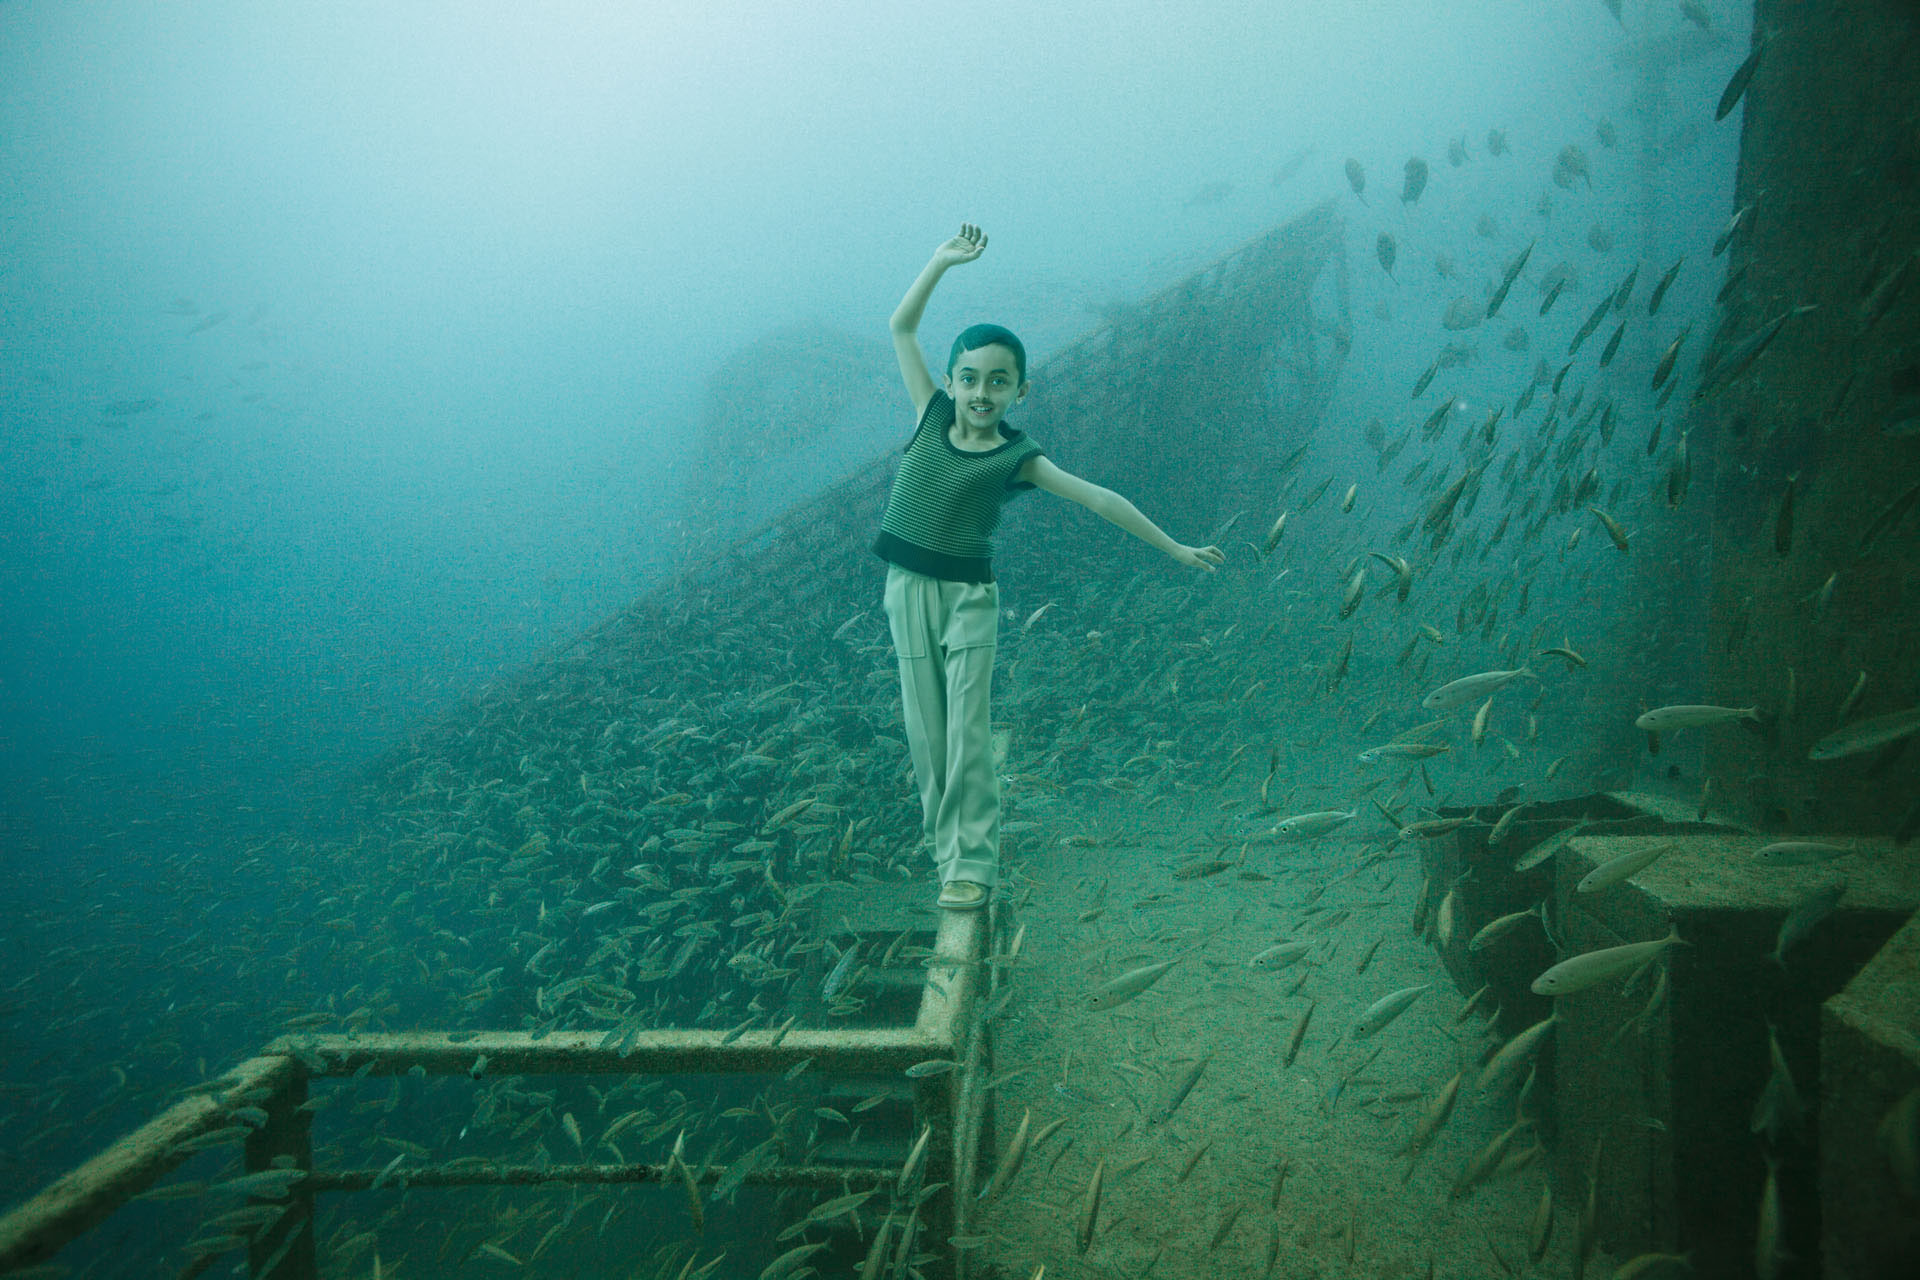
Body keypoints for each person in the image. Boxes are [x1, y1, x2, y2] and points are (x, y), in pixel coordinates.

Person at [876, 224, 1226, 911]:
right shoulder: (928, 412)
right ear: (950, 381)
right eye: (970, 377)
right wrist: (941, 262)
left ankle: (969, 868)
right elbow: (901, 326)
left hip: (969, 598)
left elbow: (1100, 499)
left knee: (966, 730)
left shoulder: (1019, 457)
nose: (981, 391)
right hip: (905, 590)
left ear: (1020, 391)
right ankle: (945, 851)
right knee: (928, 730)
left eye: (998, 382)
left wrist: (1176, 548)